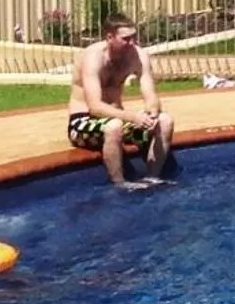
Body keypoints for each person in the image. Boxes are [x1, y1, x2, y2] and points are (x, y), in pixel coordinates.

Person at [68, 16, 176, 187]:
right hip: (83, 123)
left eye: (134, 37)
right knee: (114, 126)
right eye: (126, 39)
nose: (132, 42)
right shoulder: (93, 58)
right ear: (110, 37)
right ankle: (120, 185)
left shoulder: (137, 55)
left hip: (120, 120)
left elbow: (150, 95)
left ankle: (151, 178)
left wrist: (152, 114)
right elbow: (95, 107)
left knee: (165, 121)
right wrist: (132, 117)